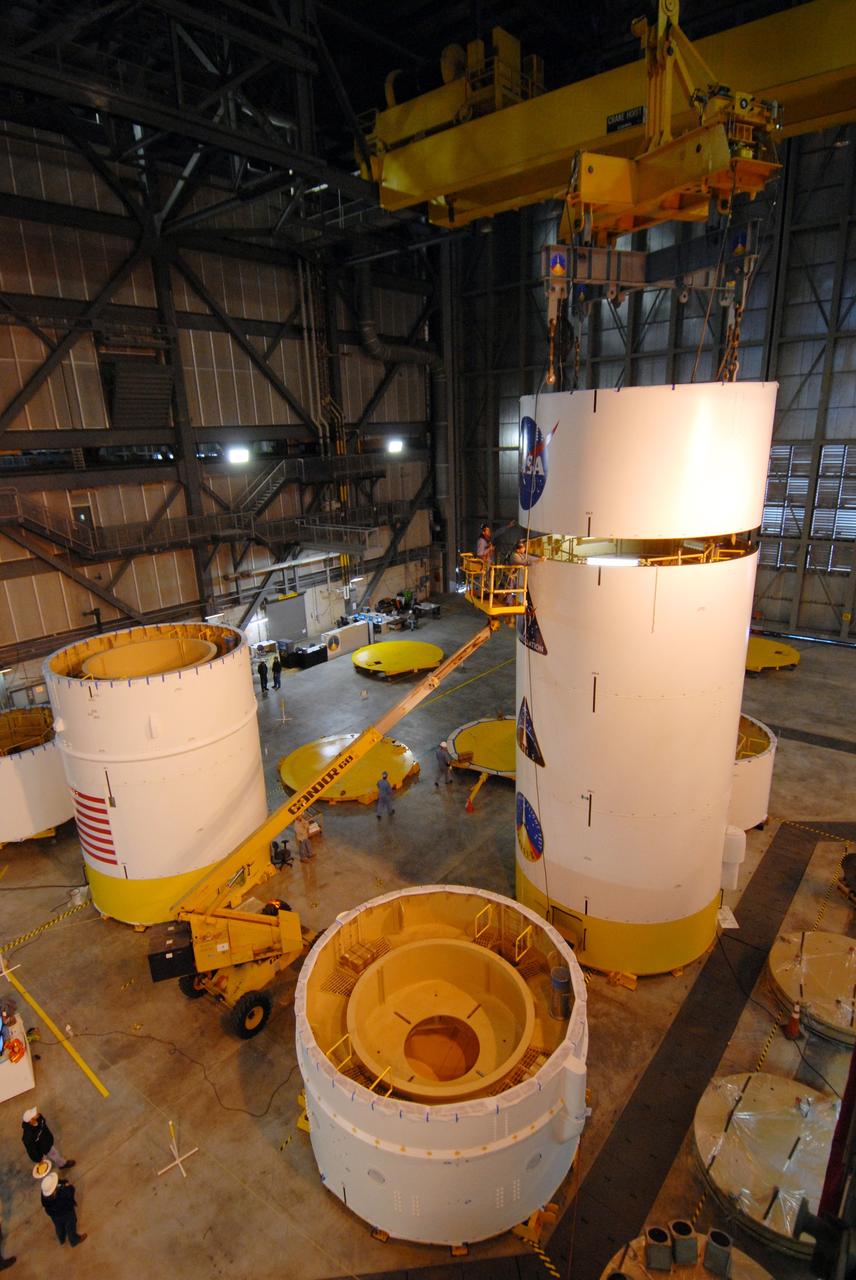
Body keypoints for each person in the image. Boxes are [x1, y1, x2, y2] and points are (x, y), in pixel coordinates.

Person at [39, 1172, 86, 1248]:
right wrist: (67, 1186)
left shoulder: (44, 1196)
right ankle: (74, 1240)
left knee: (58, 1226)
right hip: (66, 1213)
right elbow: (71, 1190)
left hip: (53, 1215)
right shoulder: (62, 1194)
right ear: (54, 1190)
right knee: (70, 1226)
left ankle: (61, 1239)